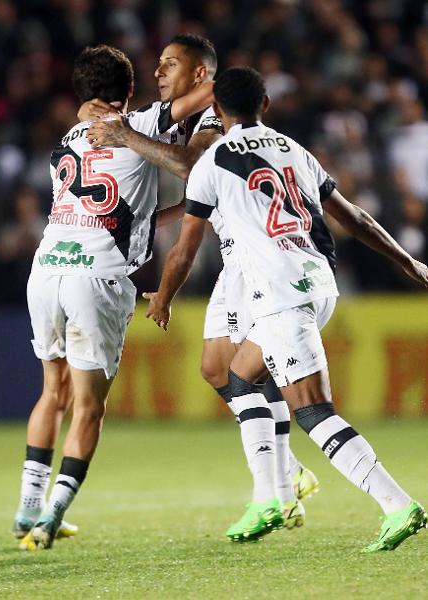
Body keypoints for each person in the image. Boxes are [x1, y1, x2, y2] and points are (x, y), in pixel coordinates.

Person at [144, 66, 428, 550]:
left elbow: (185, 249)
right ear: (266, 105)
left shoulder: (212, 162)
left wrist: (164, 298)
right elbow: (355, 218)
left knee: (312, 410)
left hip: (279, 293)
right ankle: (275, 493)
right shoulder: (295, 150)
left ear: (216, 111)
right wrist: (406, 260)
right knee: (239, 377)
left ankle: (396, 504)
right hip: (318, 283)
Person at [85, 34, 318, 527]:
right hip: (240, 254)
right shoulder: (182, 116)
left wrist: (125, 136)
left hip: (255, 258)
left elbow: (193, 167)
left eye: (170, 64)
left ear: (199, 75)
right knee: (219, 370)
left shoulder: (216, 118)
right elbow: (197, 198)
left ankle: (278, 487)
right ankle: (290, 472)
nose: (157, 73)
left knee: (237, 372)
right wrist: (148, 218)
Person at [12, 43, 214, 551]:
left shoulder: (71, 135)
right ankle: (51, 516)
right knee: (88, 407)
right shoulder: (141, 121)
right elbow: (210, 91)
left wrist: (182, 210)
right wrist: (201, 81)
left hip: (47, 269)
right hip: (95, 279)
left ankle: (27, 508)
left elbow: (120, 210)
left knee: (51, 392)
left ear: (82, 93)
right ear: (128, 91)